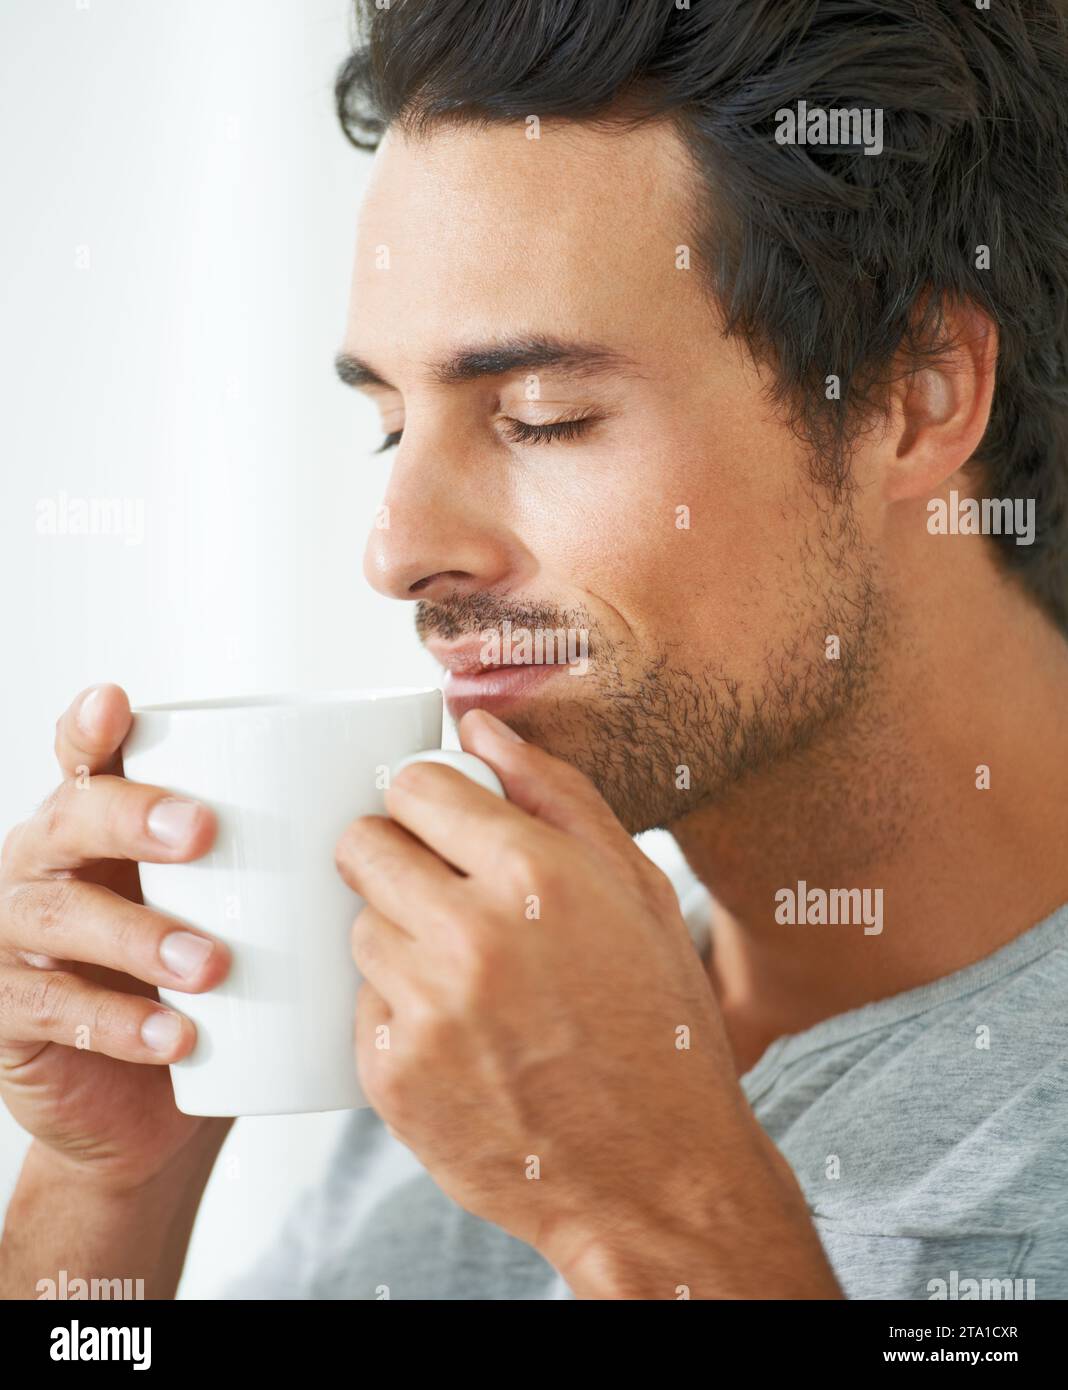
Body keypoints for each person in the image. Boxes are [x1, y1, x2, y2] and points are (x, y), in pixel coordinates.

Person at [3, 0, 1068, 1301]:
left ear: (917, 393)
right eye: (395, 424)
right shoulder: (491, 1034)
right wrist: (108, 1186)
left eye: (540, 416)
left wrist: (662, 1216)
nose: (394, 552)